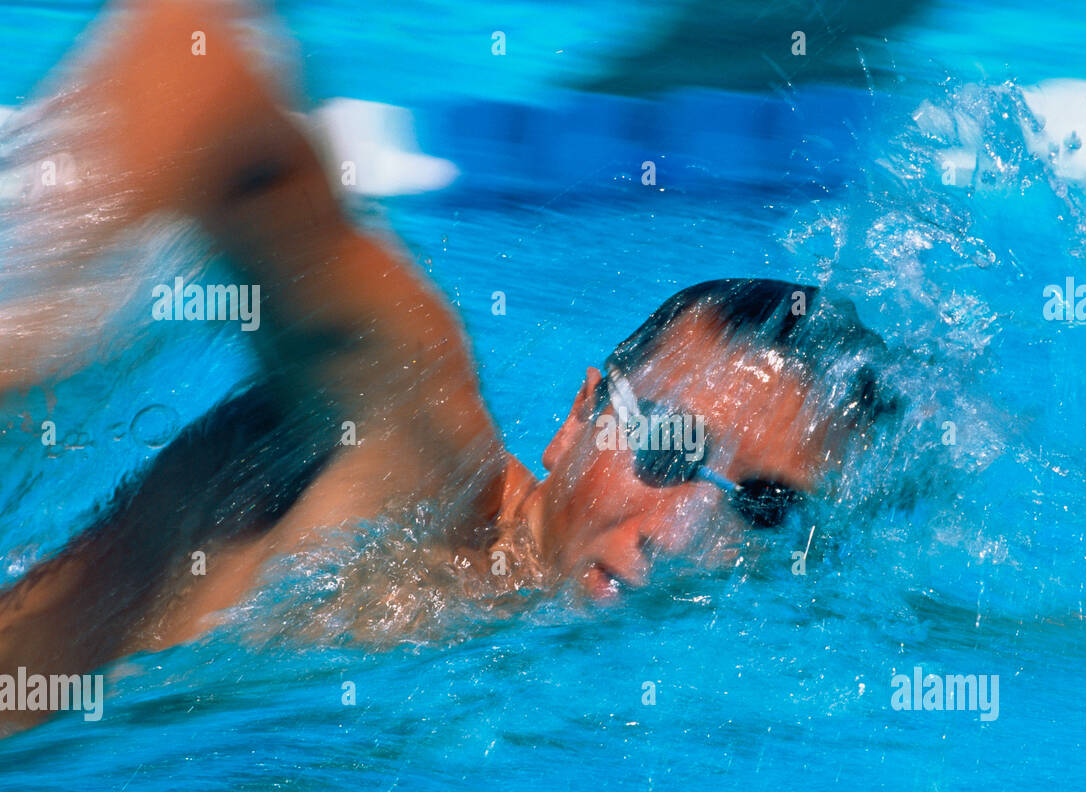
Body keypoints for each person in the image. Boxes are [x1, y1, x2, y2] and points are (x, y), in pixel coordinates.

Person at [0, 0, 888, 693]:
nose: (682, 531)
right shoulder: (418, 450)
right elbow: (194, 60)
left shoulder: (522, 647)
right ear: (579, 418)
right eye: (668, 447)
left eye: (761, 507)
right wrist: (28, 330)